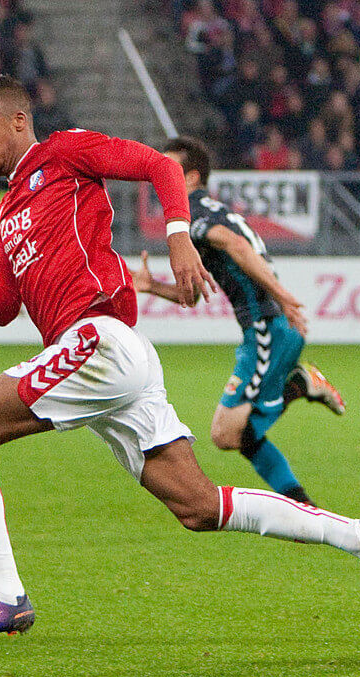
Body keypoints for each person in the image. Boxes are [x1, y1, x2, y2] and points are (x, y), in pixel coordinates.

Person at [0, 75, 360, 642]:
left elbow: (162, 166)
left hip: (98, 342)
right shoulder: (5, 216)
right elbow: (3, 308)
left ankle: (2, 593)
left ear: (19, 121)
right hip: (106, 360)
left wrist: (178, 237)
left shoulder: (65, 152)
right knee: (198, 507)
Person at [130, 135, 345, 505]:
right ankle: (302, 507)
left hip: (268, 329)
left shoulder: (195, 213)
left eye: (168, 168)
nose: (158, 175)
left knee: (225, 434)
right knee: (240, 437)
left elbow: (237, 246)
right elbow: (192, 295)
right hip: (265, 330)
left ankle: (301, 382)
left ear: (193, 177)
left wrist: (281, 296)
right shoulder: (201, 212)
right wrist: (151, 287)